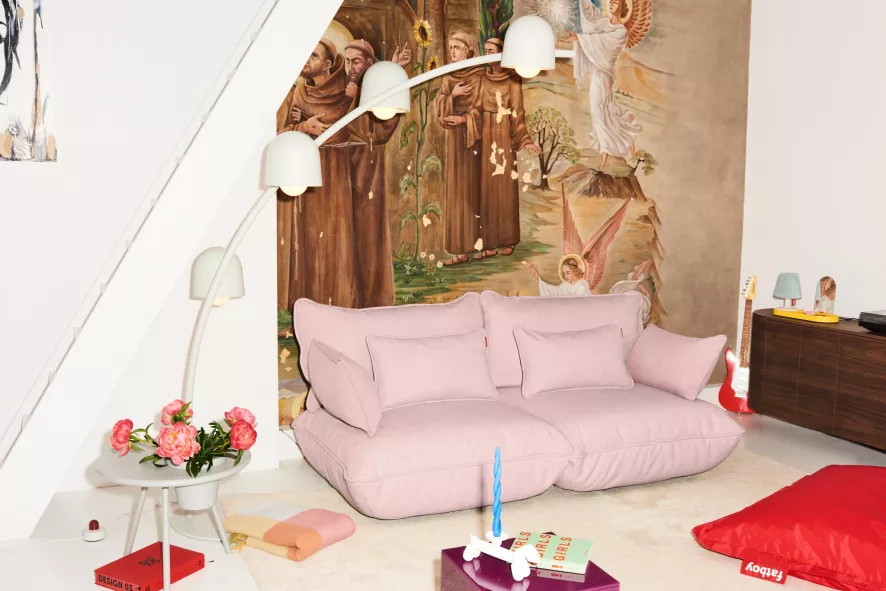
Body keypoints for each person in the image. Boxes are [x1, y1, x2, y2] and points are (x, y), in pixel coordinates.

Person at [275, 39, 357, 309]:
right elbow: (281, 132)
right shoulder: (298, 92)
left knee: (334, 233)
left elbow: (349, 126)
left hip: (334, 170)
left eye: (314, 55)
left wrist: (353, 99)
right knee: (308, 235)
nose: (307, 60)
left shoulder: (345, 93)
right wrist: (301, 127)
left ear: (328, 64)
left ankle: (337, 299)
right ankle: (306, 301)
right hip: (305, 170)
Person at [342, 39, 411, 308]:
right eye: (347, 61)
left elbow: (378, 132)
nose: (350, 67)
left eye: (356, 61)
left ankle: (372, 298)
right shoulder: (342, 88)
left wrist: (357, 98)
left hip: (367, 168)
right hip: (340, 170)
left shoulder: (367, 93)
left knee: (369, 233)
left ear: (370, 64)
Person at [475, 37, 541, 260]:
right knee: (487, 190)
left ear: (502, 53)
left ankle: (508, 239)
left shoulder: (513, 80)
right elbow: (476, 108)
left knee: (504, 190)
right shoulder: (482, 78)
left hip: (503, 136)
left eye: (491, 51)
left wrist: (525, 140)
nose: (487, 54)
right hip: (486, 137)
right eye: (485, 51)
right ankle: (489, 242)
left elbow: (518, 112)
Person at [567, 0, 642, 170]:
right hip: (598, 73)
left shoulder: (621, 32)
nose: (612, 3)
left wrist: (579, 38)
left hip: (605, 75)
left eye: (616, 2)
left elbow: (604, 44)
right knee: (606, 110)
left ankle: (606, 151)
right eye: (611, 1)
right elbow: (590, 16)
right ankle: (625, 141)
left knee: (598, 109)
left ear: (623, 7)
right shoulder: (603, 22)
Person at [434, 32, 484, 266]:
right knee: (456, 192)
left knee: (474, 190)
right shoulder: (448, 76)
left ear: (467, 50)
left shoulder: (479, 74)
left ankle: (478, 244)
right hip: (454, 141)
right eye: (450, 47)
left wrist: (465, 119)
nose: (452, 51)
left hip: (475, 139)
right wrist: (451, 96)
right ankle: (459, 249)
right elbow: (439, 106)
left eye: (457, 47)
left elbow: (484, 107)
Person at [524, 255, 592, 296]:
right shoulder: (565, 285)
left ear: (575, 271)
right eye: (564, 273)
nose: (565, 276)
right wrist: (537, 278)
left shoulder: (582, 285)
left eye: (568, 273)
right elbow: (554, 291)